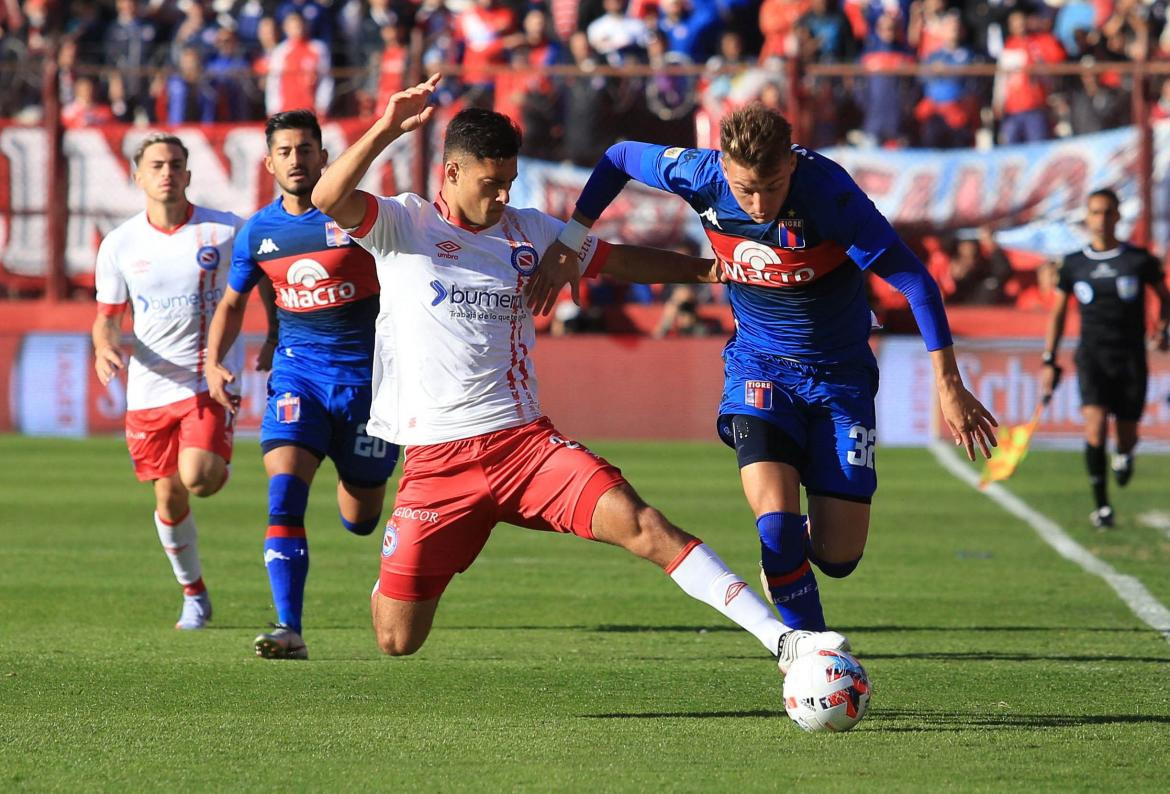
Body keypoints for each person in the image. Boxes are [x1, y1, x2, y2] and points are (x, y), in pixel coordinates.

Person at [311, 77, 848, 673]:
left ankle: (784, 641)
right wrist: (387, 126)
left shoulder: (530, 231)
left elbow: (618, 260)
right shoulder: (403, 225)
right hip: (437, 463)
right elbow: (328, 197)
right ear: (453, 173)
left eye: (510, 182)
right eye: (491, 184)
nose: (502, 196)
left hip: (525, 446)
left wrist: (712, 271)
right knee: (397, 639)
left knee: (644, 524)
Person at [528, 102, 998, 636]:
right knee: (774, 530)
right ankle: (812, 652)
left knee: (839, 555)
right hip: (760, 367)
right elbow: (617, 157)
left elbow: (914, 281)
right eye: (746, 188)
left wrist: (949, 385)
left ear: (791, 166)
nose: (758, 203)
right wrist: (571, 238)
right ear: (724, 167)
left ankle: (797, 557)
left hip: (840, 376)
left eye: (772, 186)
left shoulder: (828, 194)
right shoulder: (699, 174)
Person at [206, 110, 399, 660]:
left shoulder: (360, 217)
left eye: (306, 150)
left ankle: (363, 497)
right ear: (270, 163)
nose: (296, 160)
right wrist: (213, 362)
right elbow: (235, 300)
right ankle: (288, 628)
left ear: (323, 156)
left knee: (361, 519)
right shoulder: (259, 232)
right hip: (298, 377)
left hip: (368, 386)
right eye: (285, 152)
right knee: (285, 493)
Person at [92, 132, 245, 630]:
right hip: (148, 389)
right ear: (138, 176)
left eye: (176, 164)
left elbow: (269, 269)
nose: (167, 172)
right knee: (168, 497)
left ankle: (216, 458)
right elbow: (108, 316)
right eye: (156, 164)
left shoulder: (223, 231)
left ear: (188, 174)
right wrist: (104, 345)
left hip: (205, 382)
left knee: (198, 478)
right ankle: (194, 594)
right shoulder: (120, 244)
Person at [1041, 188, 1170, 529]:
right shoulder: (1073, 264)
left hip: (1130, 358)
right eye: (1095, 213)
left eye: (1107, 212)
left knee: (1126, 434)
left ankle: (1125, 454)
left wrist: (1162, 328)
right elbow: (1057, 314)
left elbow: (1163, 297)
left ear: (1117, 216)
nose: (1101, 219)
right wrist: (1048, 357)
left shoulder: (1138, 260)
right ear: (1087, 218)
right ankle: (1102, 507)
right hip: (1092, 357)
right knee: (1095, 428)